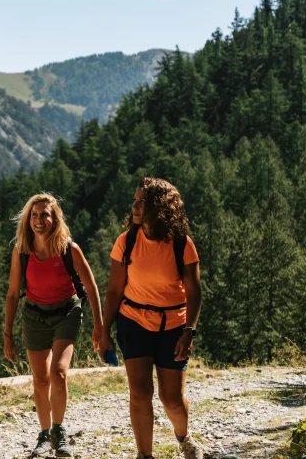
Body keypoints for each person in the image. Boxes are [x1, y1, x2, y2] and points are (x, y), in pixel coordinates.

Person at [99, 177, 204, 459]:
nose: (134, 206)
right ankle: (144, 455)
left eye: (141, 202)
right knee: (141, 392)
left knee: (170, 398)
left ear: (159, 208)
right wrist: (104, 330)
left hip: (174, 326)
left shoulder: (182, 244)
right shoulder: (127, 241)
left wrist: (189, 331)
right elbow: (113, 289)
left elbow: (194, 293)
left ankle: (183, 437)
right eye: (134, 201)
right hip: (133, 322)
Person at [4, 193, 103, 458]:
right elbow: (13, 294)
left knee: (58, 372)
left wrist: (99, 326)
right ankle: (44, 433)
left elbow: (91, 286)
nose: (39, 220)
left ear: (54, 219)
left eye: (45, 215)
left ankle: (59, 431)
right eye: (34, 215)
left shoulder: (69, 248)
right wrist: (7, 334)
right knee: (40, 379)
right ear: (28, 220)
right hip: (34, 316)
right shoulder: (22, 251)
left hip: (66, 313)